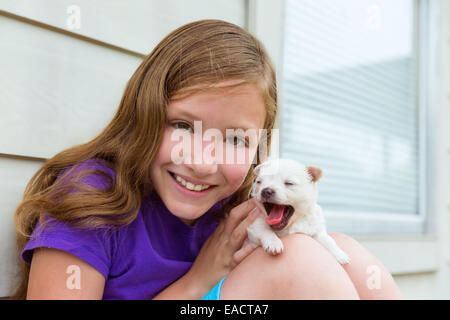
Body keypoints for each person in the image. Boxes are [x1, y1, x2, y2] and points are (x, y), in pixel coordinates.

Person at [12, 19, 402, 300]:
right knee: (300, 261)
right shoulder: (90, 197)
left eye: (235, 138)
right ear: (143, 113)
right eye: (182, 125)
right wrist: (199, 279)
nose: (201, 162)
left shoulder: (238, 210)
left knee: (343, 250)